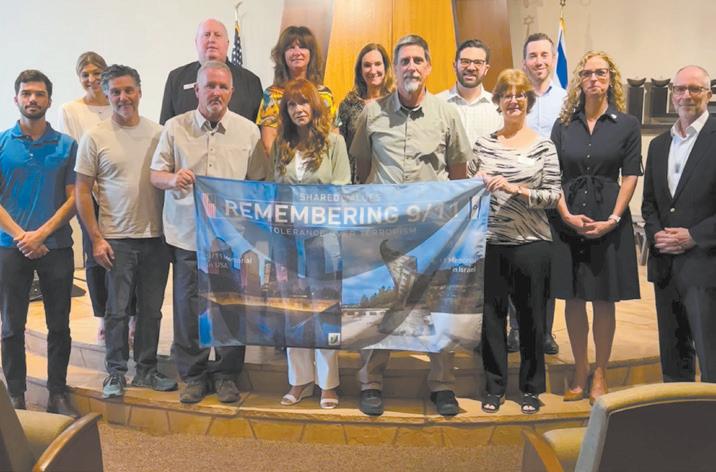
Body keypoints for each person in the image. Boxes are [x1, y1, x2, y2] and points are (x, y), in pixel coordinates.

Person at [350, 34, 471, 416]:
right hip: (384, 230)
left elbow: (458, 176)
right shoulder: (372, 114)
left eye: (418, 60)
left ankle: (442, 385)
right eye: (404, 61)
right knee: (381, 303)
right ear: (396, 68)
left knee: (435, 304)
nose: (411, 67)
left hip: (433, 233)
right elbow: (362, 172)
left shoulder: (447, 115)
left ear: (429, 67)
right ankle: (371, 382)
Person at [151, 60, 267, 404]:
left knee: (230, 307)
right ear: (197, 90)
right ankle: (193, 375)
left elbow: (258, 182)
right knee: (189, 309)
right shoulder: (175, 127)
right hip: (187, 234)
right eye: (210, 86)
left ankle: (227, 374)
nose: (216, 92)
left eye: (222, 87)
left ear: (231, 92)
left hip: (231, 239)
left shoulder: (249, 132)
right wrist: (173, 179)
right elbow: (156, 174)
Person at [75, 64, 177, 399]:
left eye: (128, 90)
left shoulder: (159, 133)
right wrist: (96, 238)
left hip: (156, 238)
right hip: (116, 239)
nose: (123, 97)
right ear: (107, 94)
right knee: (117, 311)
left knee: (151, 311)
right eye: (116, 92)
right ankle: (116, 373)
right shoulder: (95, 137)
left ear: (139, 92)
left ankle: (146, 370)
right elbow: (82, 191)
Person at [551, 51, 641, 404]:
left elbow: (630, 175)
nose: (593, 79)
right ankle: (580, 370)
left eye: (600, 73)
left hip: (609, 216)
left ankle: (601, 372)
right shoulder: (563, 125)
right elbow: (553, 175)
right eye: (587, 73)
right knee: (573, 298)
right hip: (569, 217)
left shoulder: (627, 124)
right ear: (579, 80)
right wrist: (565, 215)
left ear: (610, 78)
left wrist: (614, 219)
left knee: (604, 299)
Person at [471, 69, 561, 415]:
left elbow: (553, 195)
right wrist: (476, 181)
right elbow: (468, 192)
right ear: (497, 101)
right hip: (491, 242)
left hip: (531, 244)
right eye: (507, 94)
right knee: (491, 320)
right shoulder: (483, 145)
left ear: (528, 101)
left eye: (520, 94)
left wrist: (515, 189)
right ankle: (493, 388)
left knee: (531, 318)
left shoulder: (544, 146)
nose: (514, 100)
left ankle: (531, 389)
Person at [0, 70, 78, 417]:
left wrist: (41, 234)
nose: (32, 99)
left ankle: (57, 393)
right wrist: (23, 236)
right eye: (26, 93)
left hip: (56, 247)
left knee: (59, 325)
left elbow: (74, 198)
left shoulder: (67, 145)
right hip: (9, 246)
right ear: (16, 98)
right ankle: (16, 395)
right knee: (11, 325)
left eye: (39, 94)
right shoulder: (2, 143)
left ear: (49, 100)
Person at [268, 79, 350, 408]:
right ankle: (299, 380)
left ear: (315, 106)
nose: (298, 109)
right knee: (294, 308)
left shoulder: (334, 142)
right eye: (291, 104)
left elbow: (342, 188)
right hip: (287, 240)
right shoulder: (281, 144)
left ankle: (328, 384)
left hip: (323, 238)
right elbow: (274, 190)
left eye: (304, 102)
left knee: (324, 309)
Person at [642, 65, 716, 383]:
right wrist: (657, 234)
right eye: (680, 89)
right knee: (673, 359)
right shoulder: (659, 145)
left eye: (695, 89)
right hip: (666, 266)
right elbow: (649, 203)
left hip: (706, 266)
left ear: (709, 94)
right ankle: (677, 412)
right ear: (672, 94)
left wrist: (694, 235)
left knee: (711, 357)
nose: (686, 95)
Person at [58, 51, 119, 343]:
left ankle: (128, 313)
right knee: (95, 253)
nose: (92, 79)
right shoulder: (70, 110)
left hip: (119, 189)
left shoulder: (117, 101)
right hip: (88, 190)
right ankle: (102, 317)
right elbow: (73, 152)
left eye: (97, 73)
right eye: (85, 74)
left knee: (124, 252)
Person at [521, 32, 568, 355]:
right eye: (533, 55)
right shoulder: (514, 96)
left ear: (553, 59)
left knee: (547, 267)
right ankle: (515, 329)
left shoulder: (566, 101)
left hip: (551, 194)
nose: (539, 61)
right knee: (516, 263)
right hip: (515, 191)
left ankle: (545, 331)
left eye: (544, 55)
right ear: (524, 61)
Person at [159, 18, 262, 124]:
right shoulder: (176, 78)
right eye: (206, 35)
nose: (211, 39)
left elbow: (258, 129)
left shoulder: (251, 82)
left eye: (217, 35)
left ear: (227, 44)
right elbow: (165, 127)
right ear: (196, 42)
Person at [257, 25, 335, 154]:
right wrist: (288, 164)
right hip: (284, 163)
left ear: (311, 53)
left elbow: (333, 135)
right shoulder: (271, 95)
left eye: (302, 47)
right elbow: (268, 142)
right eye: (290, 48)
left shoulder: (324, 94)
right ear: (282, 55)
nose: (297, 52)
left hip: (319, 162)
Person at [336, 43, 394, 182]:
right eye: (367, 65)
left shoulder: (396, 103)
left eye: (378, 64)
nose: (373, 70)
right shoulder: (348, 104)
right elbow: (340, 148)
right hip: (355, 183)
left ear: (385, 67)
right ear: (360, 71)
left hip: (388, 181)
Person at [437, 39, 502, 147]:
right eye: (465, 61)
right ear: (454, 66)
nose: (471, 67)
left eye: (478, 62)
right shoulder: (437, 104)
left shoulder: (498, 107)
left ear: (486, 69)